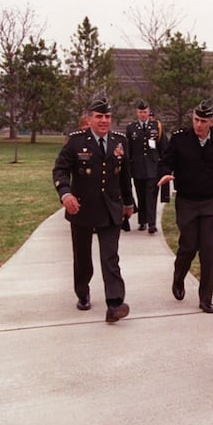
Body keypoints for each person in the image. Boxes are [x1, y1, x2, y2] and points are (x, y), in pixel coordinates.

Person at [52, 97, 134, 322]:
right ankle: (83, 291)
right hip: (83, 209)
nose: (104, 121)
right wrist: (65, 193)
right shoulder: (76, 142)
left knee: (110, 257)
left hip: (111, 208)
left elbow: (125, 175)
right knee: (83, 258)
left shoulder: (120, 141)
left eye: (107, 116)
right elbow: (60, 170)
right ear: (89, 119)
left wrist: (129, 203)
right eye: (99, 117)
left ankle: (115, 304)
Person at [157, 99, 213, 314]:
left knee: (208, 250)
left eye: (203, 121)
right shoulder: (180, 139)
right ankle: (179, 277)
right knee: (189, 246)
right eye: (196, 120)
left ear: (212, 121)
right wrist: (165, 173)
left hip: (210, 202)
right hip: (187, 201)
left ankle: (205, 298)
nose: (198, 125)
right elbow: (166, 161)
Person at [125, 100, 167, 234]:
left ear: (149, 112)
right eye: (140, 112)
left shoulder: (157, 127)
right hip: (137, 167)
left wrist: (164, 166)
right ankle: (142, 221)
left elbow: (163, 147)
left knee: (151, 195)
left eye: (145, 112)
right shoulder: (131, 128)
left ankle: (152, 223)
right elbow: (128, 150)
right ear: (137, 113)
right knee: (141, 194)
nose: (143, 114)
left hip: (153, 167)